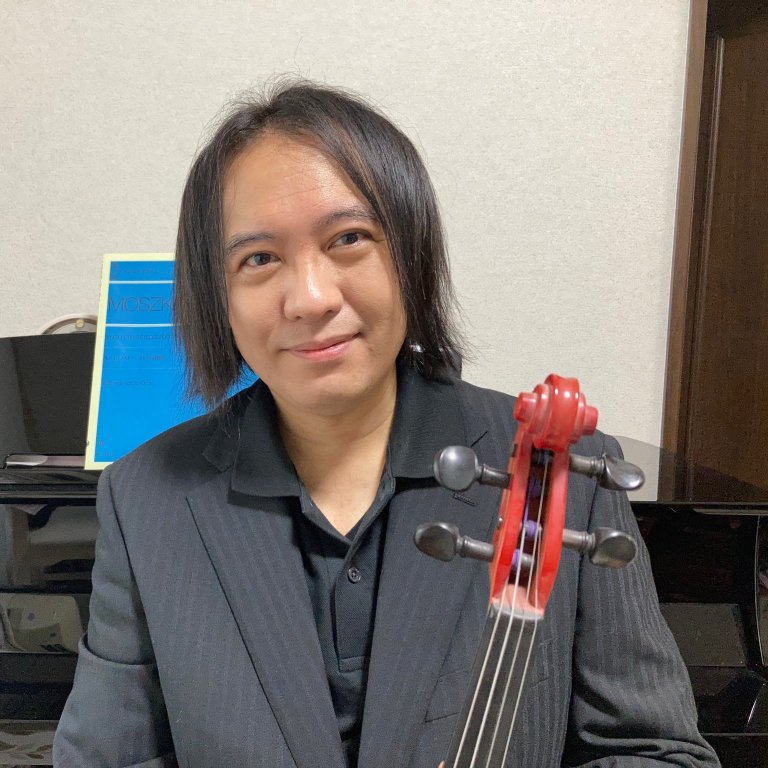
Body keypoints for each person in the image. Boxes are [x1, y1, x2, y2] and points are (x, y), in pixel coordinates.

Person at [54, 80, 719, 768]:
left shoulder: (564, 472)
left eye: (348, 239)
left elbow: (658, 752)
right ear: (216, 295)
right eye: (259, 259)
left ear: (410, 256)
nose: (310, 299)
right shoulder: (145, 497)